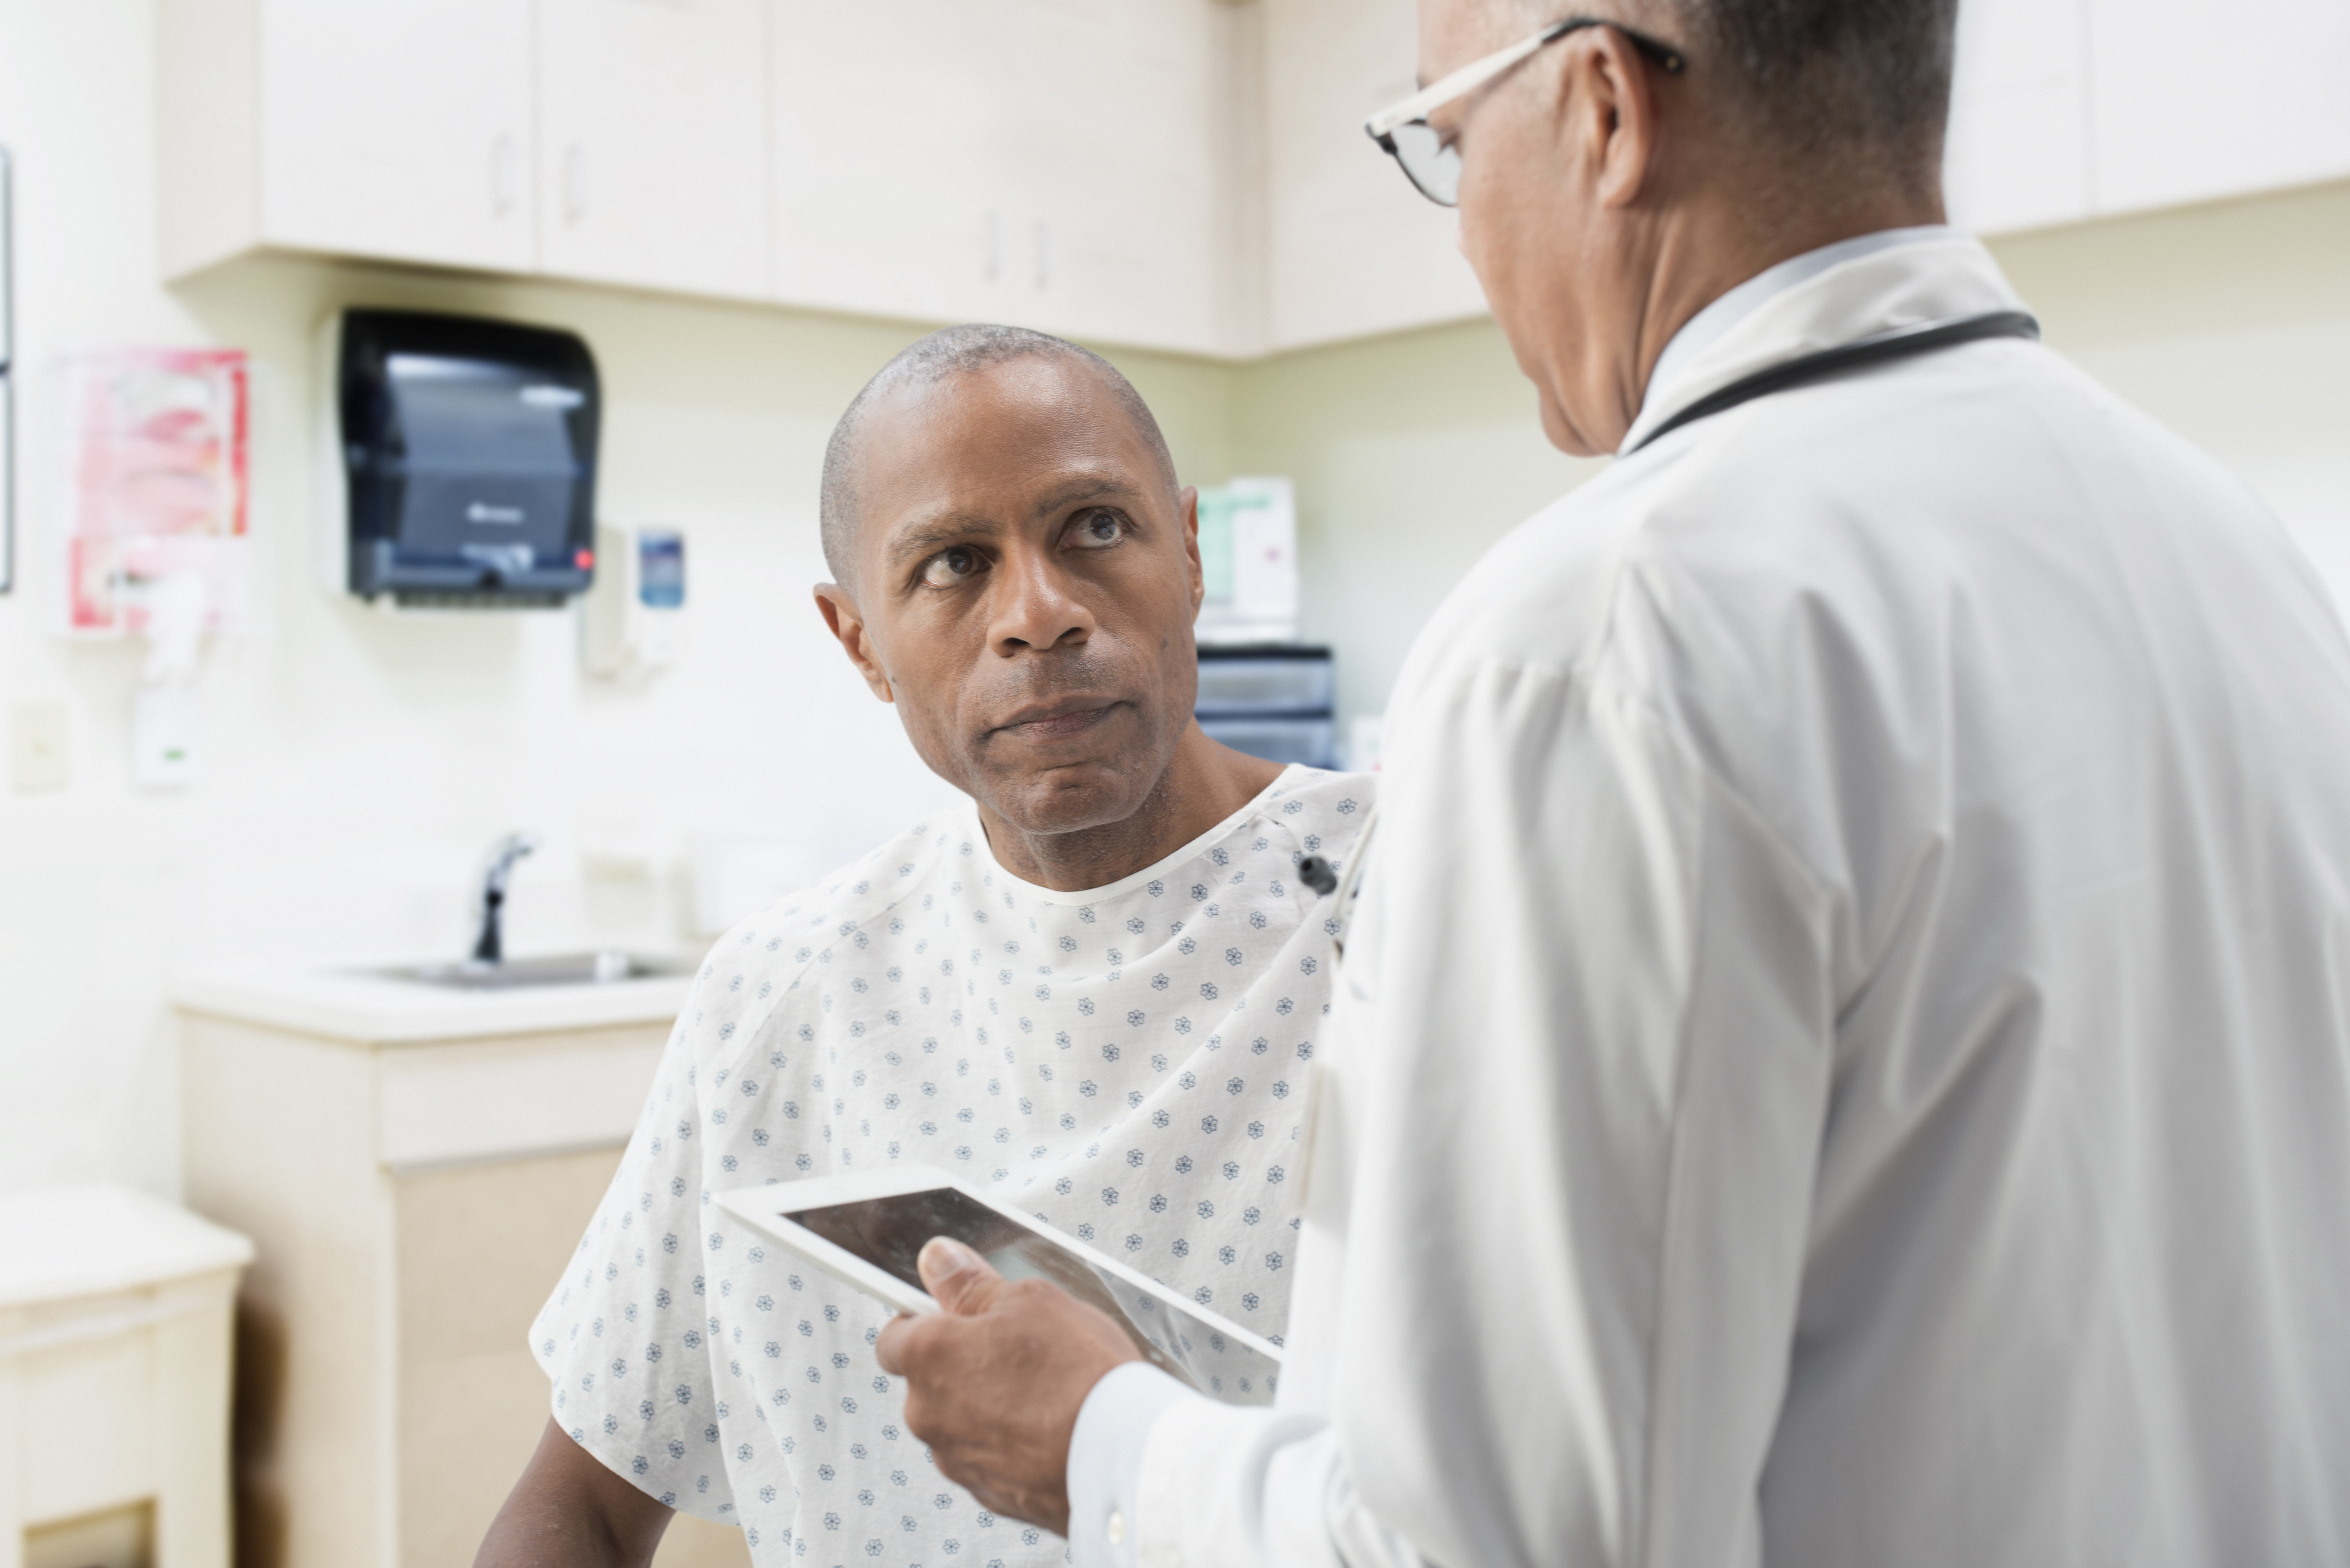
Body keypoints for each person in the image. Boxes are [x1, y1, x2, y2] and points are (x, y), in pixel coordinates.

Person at [872, 2, 2350, 1565]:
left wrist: (1103, 1437)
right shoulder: (2228, 548)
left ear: (1601, 112)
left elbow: (1522, 1542)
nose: (1461, 241)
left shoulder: (1595, 643)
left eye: (1448, 143)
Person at [472, 325, 1374, 1568]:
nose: (1039, 614)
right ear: (858, 644)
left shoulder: (1409, 904)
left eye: (1096, 529)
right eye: (954, 563)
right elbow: (575, 1502)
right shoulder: (781, 998)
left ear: (1191, 553)